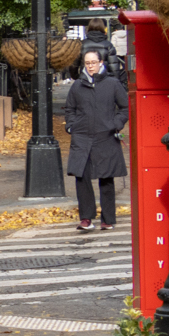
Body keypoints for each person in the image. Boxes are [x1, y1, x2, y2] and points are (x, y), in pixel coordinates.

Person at [64, 46, 128, 232]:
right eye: (87, 63)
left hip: (105, 136)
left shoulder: (113, 84)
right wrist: (71, 126)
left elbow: (124, 108)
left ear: (101, 63)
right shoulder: (77, 85)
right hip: (82, 137)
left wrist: (115, 124)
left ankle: (108, 219)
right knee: (81, 177)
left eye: (93, 62)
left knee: (106, 178)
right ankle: (86, 218)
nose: (90, 66)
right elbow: (70, 109)